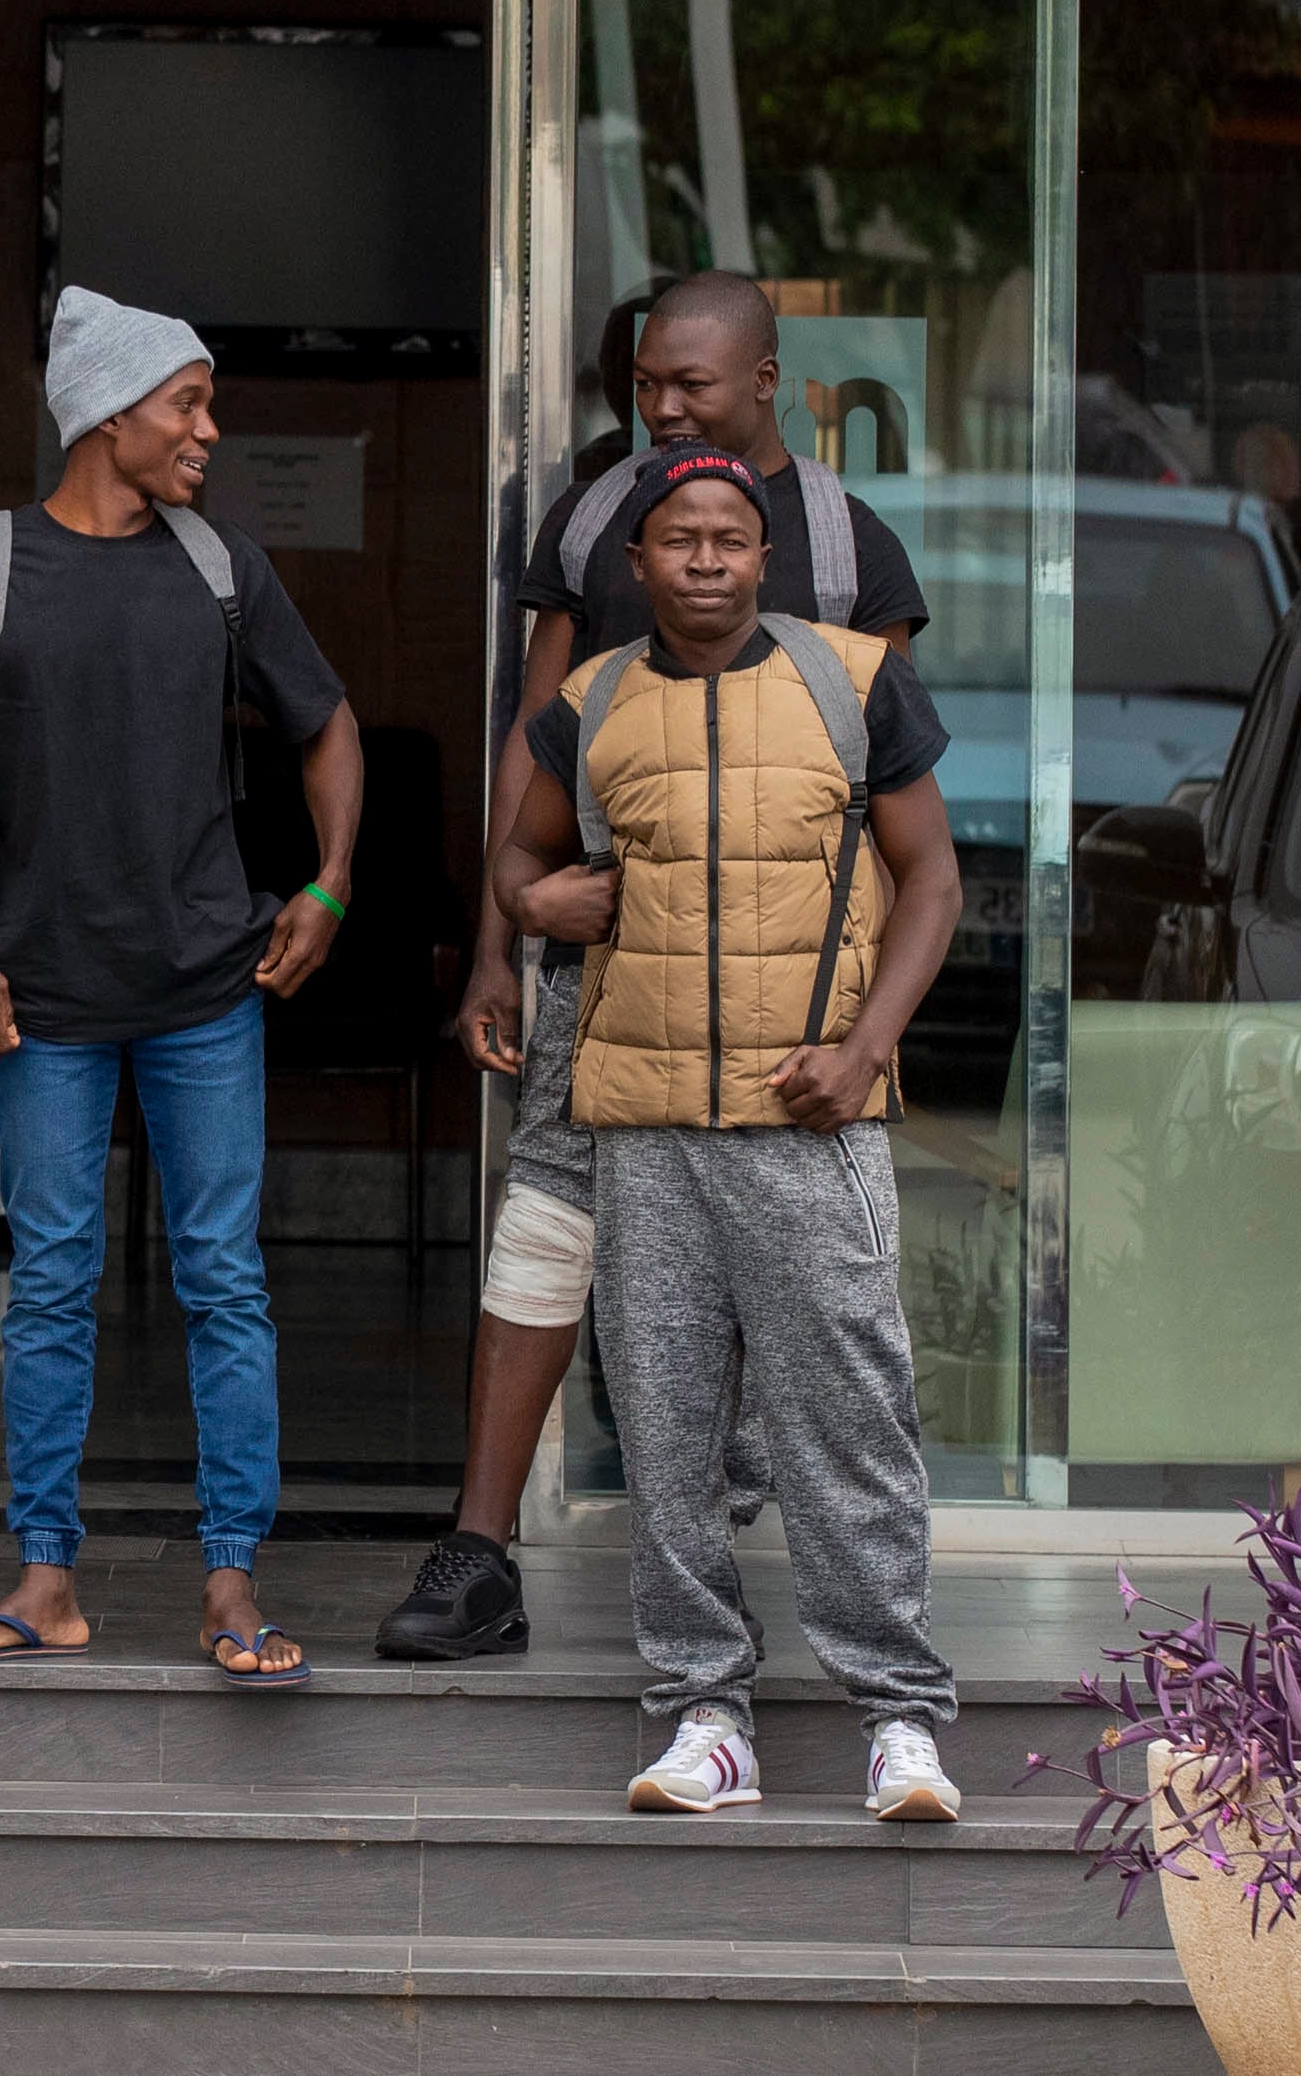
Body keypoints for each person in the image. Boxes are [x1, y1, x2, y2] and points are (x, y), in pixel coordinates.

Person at [379, 266, 930, 1665]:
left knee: (784, 1261)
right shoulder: (593, 515)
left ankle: (814, 1593)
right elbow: (535, 725)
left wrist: (860, 1021)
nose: (664, 405)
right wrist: (506, 925)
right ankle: (480, 1547)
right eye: (646, 386)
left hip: (784, 996)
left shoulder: (846, 540)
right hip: (608, 971)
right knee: (551, 1217)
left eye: (690, 383)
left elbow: (888, 781)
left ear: (767, 381)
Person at [0, 291, 360, 1683]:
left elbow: (328, 720)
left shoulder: (222, 568)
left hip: (207, 984)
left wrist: (329, 880)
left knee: (223, 1281)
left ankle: (231, 1585)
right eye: (186, 403)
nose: (208, 427)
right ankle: (46, 1578)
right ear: (107, 411)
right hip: (37, 997)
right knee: (57, 1284)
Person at [487, 443, 965, 1821]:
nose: (705, 557)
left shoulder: (850, 680)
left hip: (808, 1119)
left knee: (849, 1419)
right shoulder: (588, 704)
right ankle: (706, 1710)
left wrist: (866, 1048)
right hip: (644, 1133)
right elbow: (518, 862)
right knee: (670, 1429)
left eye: (729, 538)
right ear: (637, 567)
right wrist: (538, 904)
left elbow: (931, 878)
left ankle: (901, 1716)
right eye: (678, 538)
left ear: (763, 557)